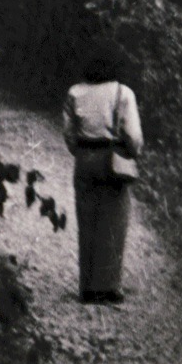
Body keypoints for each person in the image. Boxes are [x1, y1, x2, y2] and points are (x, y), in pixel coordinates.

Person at [61, 50, 144, 305]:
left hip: (85, 158)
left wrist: (81, 151)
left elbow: (68, 133)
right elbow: (133, 136)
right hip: (113, 158)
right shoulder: (123, 93)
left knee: (87, 219)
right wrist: (132, 152)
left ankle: (86, 288)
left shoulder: (75, 93)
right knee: (114, 221)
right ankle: (108, 287)